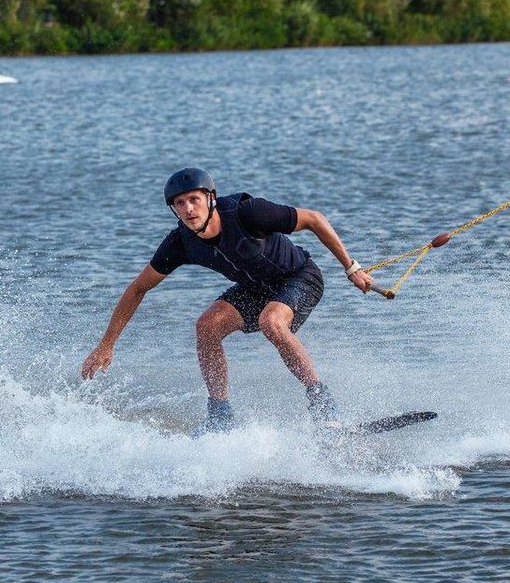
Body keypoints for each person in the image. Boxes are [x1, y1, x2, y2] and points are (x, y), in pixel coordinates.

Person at [80, 167, 376, 434]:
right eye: (179, 204)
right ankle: (220, 417)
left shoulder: (249, 213)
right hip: (253, 289)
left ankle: (324, 407)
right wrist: (106, 344)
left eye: (194, 199)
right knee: (206, 325)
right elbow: (137, 289)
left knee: (271, 321)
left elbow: (314, 219)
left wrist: (352, 268)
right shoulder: (181, 242)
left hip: (299, 278)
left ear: (210, 198)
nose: (188, 209)